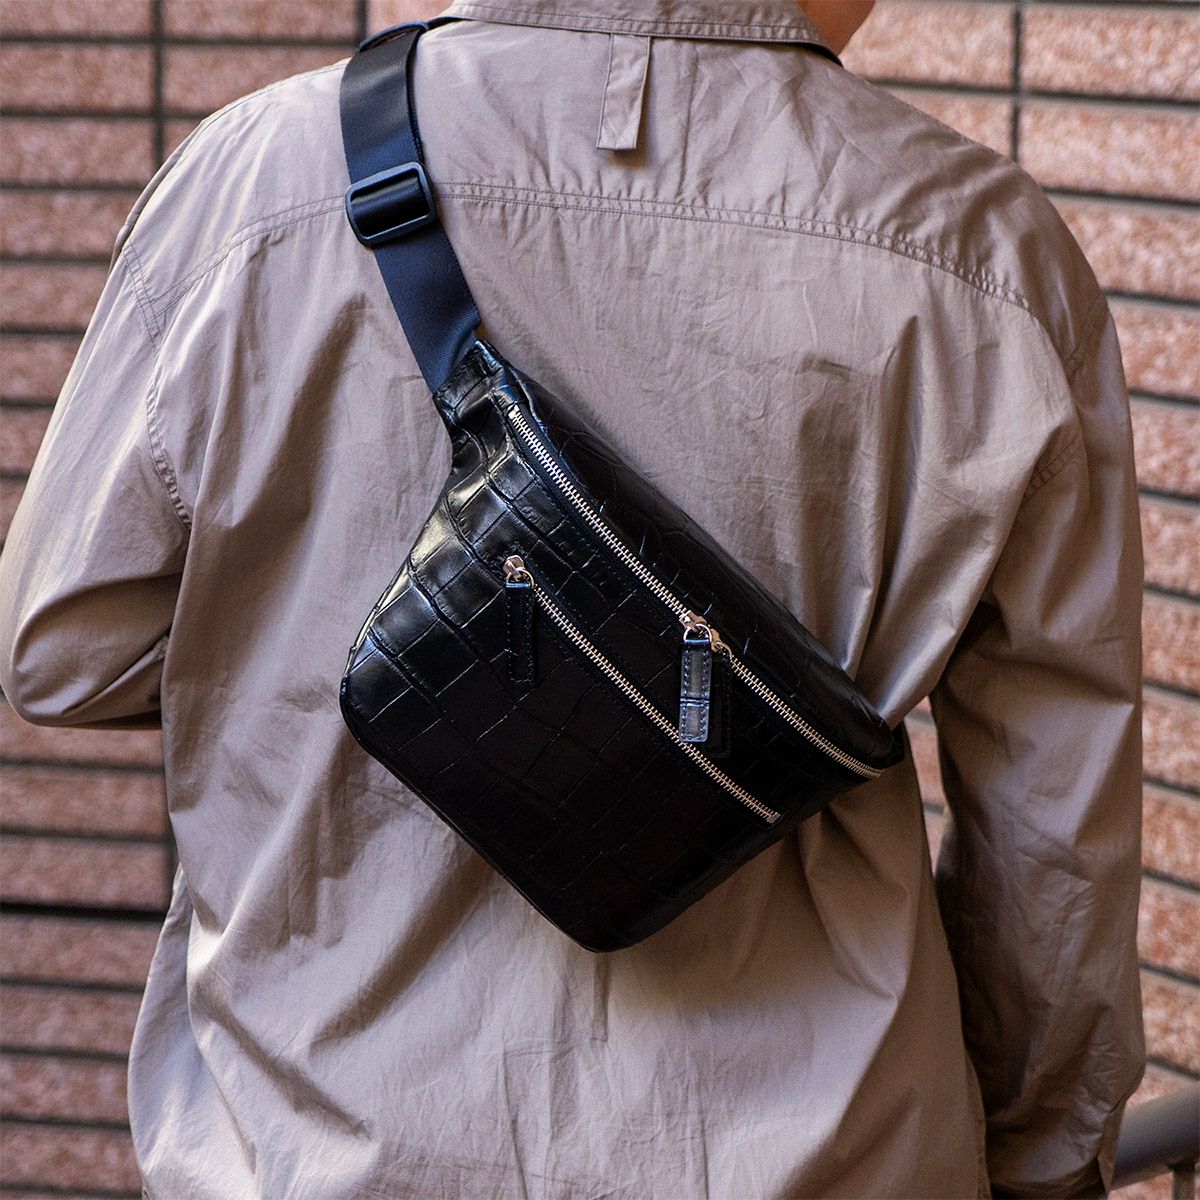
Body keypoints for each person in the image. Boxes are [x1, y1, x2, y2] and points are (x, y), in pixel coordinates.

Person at [0, 2, 1145, 1196]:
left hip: (318, 1145)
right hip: (833, 1156)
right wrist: (1043, 1150)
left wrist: (366, 654)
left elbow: (62, 653)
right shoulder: (983, 248)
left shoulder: (260, 180)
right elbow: (1052, 830)